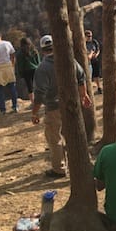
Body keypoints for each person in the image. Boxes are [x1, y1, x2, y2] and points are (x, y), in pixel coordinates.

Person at [31, 34, 92, 179]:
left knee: (55, 139)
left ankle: (59, 169)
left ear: (43, 50)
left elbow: (39, 93)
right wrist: (84, 95)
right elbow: (81, 77)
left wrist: (34, 113)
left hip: (53, 107)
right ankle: (82, 165)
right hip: (72, 104)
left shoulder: (42, 68)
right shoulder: (69, 60)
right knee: (74, 135)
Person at [15, 37, 41, 105]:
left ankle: (33, 102)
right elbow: (38, 62)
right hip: (36, 69)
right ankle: (40, 100)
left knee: (30, 87)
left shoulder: (20, 53)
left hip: (26, 71)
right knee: (38, 86)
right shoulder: (34, 51)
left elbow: (20, 65)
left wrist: (20, 74)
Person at [85, 30, 103, 94]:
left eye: (91, 36)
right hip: (88, 62)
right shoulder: (84, 44)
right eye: (88, 36)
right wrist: (90, 54)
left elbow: (98, 49)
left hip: (95, 60)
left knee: (96, 75)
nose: (90, 37)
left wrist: (96, 54)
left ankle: (99, 87)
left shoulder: (94, 42)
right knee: (89, 76)